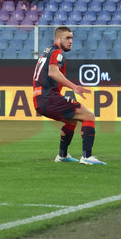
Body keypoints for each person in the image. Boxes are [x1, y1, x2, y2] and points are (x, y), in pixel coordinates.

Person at [33, 26, 106, 165]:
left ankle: (62, 155)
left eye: (71, 38)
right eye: (67, 38)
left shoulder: (46, 52)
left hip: (39, 99)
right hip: (49, 98)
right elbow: (53, 73)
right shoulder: (57, 52)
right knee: (89, 116)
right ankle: (87, 157)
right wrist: (75, 87)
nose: (71, 41)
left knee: (71, 121)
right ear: (57, 39)